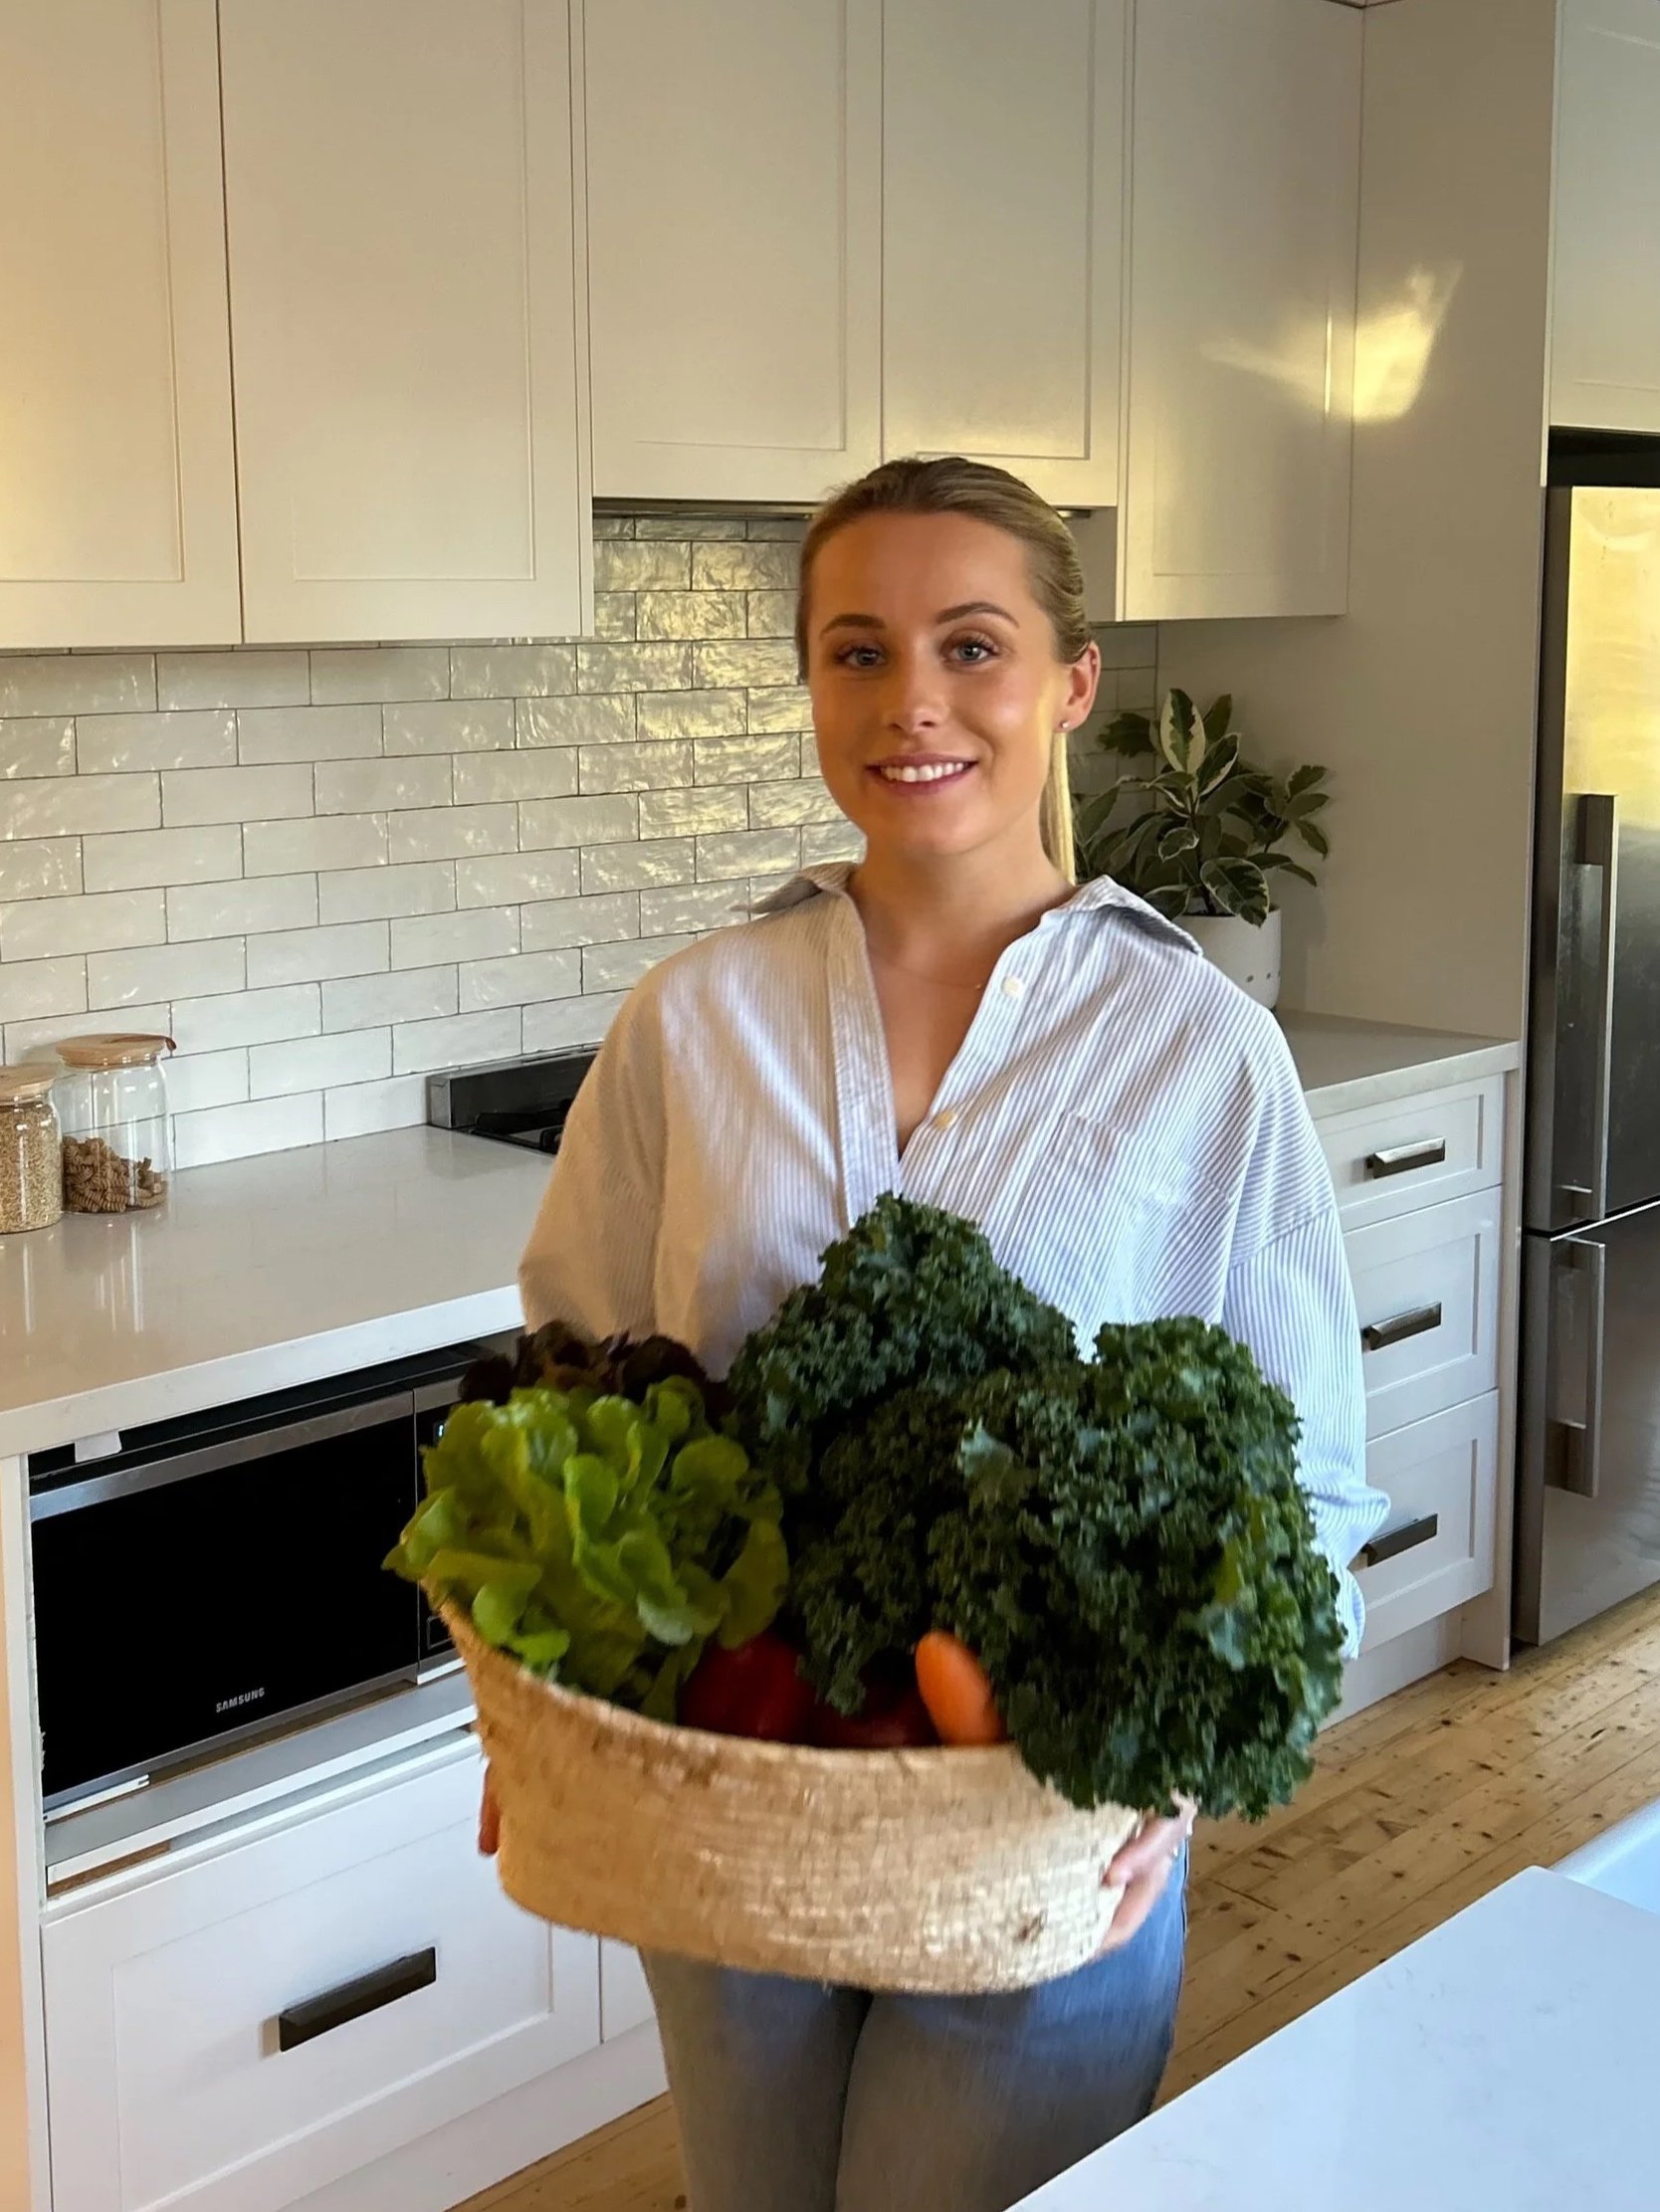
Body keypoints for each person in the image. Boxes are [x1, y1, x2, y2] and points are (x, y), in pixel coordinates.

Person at [510, 456, 1388, 2212]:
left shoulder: (1200, 1049)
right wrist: (555, 1693)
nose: (912, 703)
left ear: (1070, 681)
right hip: (734, 1819)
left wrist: (1180, 1756)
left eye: (971, 646)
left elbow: (1311, 1486)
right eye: (857, 650)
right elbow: (569, 1379)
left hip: (1040, 1835)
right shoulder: (692, 1021)